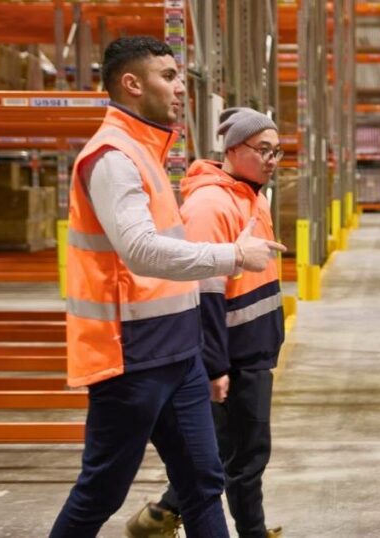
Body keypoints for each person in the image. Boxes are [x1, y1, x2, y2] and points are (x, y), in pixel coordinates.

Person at [50, 37, 285, 538]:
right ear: (132, 84)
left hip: (178, 352)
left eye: (179, 76)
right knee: (102, 492)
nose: (181, 88)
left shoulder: (147, 151)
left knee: (203, 482)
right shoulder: (112, 157)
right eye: (168, 76)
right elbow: (139, 250)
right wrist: (233, 256)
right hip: (130, 357)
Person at [125, 107, 286, 538]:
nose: (271, 160)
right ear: (233, 149)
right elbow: (205, 291)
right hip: (231, 351)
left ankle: (159, 517)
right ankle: (251, 532)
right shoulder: (211, 204)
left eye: (277, 152)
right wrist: (215, 365)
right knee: (248, 454)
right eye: (262, 150)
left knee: (222, 449)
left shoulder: (253, 195)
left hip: (252, 345)